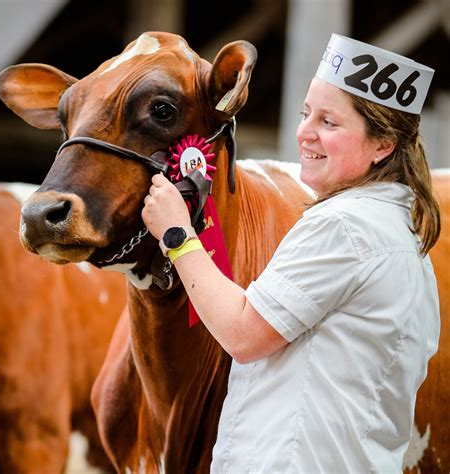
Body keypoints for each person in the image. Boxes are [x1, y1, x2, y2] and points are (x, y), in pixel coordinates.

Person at [142, 33, 441, 473]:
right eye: (306, 114)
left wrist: (177, 234)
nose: (305, 133)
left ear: (383, 146)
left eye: (329, 122)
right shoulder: (403, 233)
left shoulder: (344, 225)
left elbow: (244, 335)